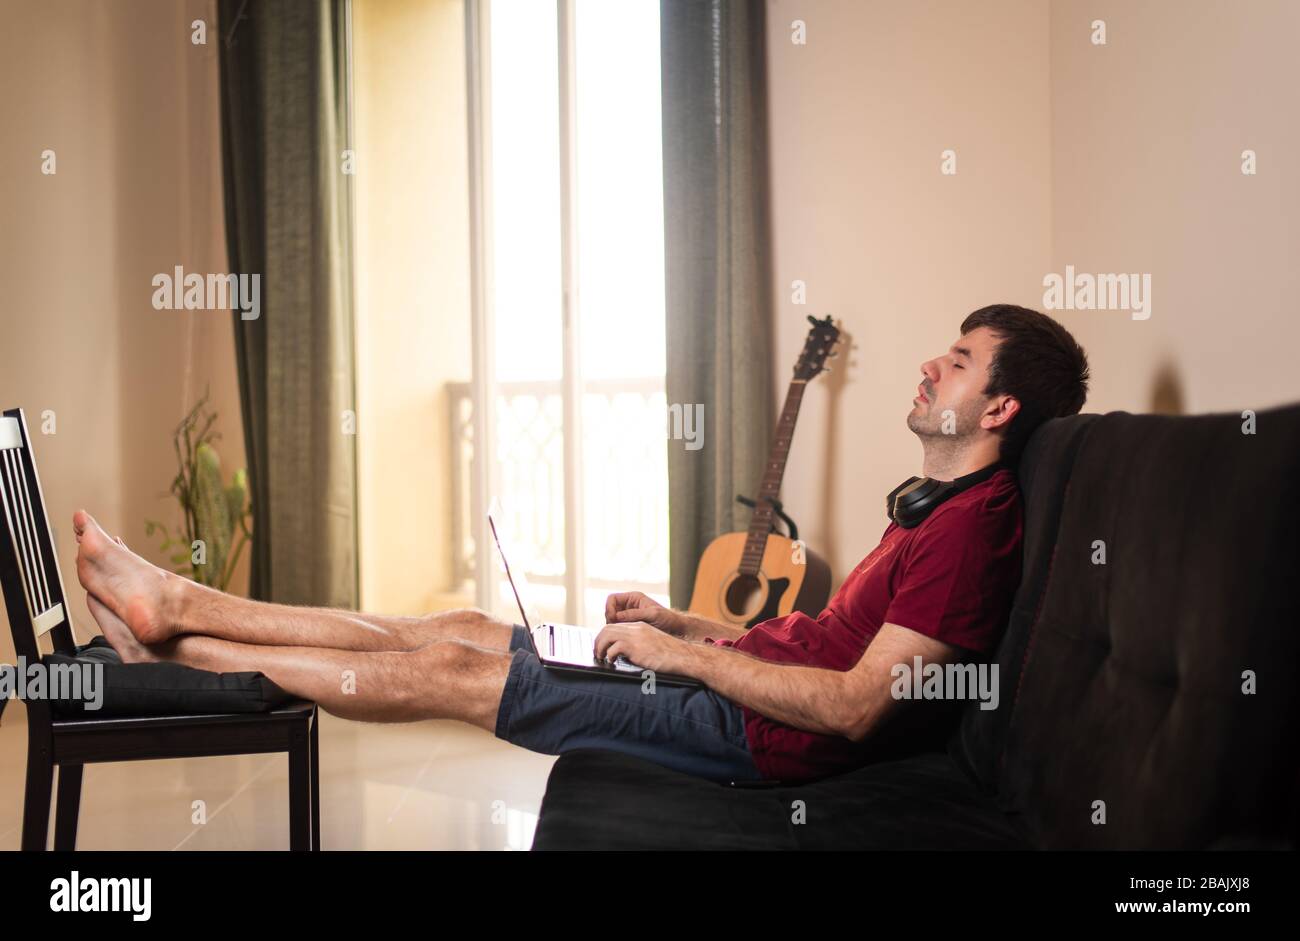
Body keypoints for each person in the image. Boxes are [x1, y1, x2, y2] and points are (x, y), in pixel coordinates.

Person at [77, 303, 1088, 784]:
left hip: (751, 735)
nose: (928, 364)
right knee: (465, 623)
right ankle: (182, 607)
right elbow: (825, 641)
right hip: (730, 683)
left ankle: (178, 643)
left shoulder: (972, 525)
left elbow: (860, 705)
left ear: (995, 404)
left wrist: (681, 656)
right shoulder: (930, 505)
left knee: (449, 669)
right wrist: (684, 620)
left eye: (955, 361)